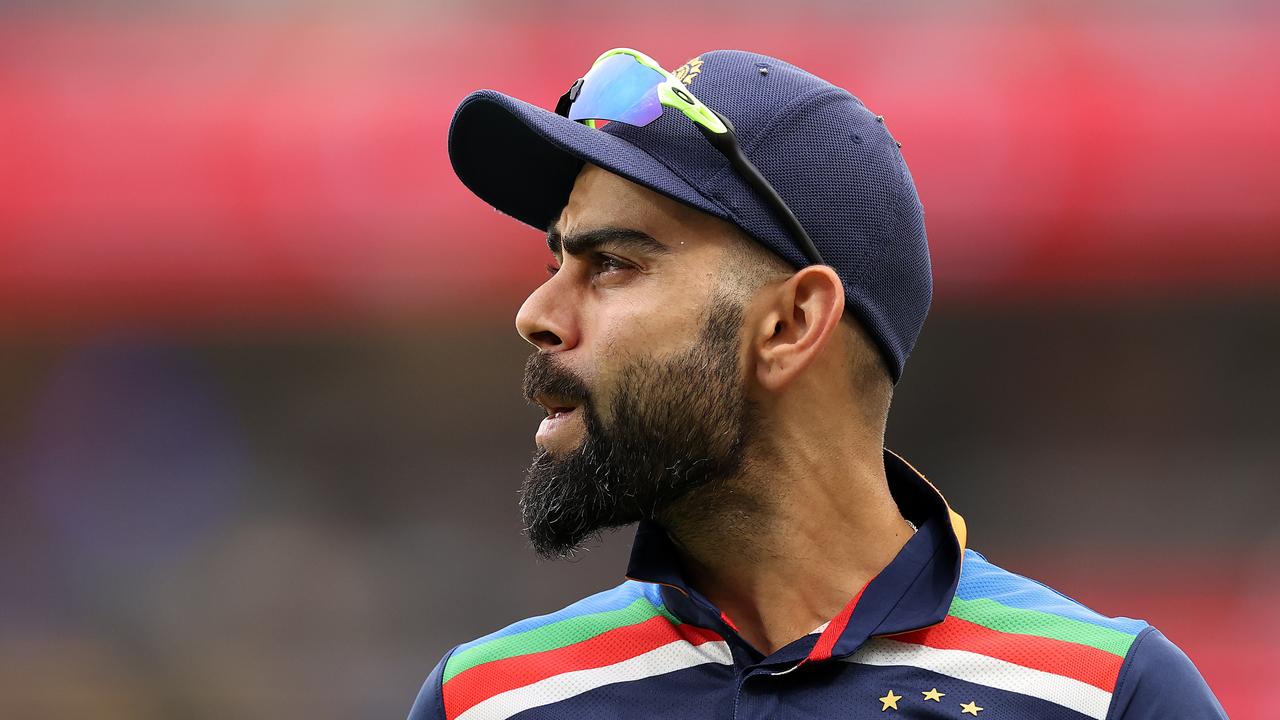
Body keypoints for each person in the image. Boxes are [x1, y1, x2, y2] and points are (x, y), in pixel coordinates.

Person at [409, 48, 1225, 720]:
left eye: (613, 263)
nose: (536, 314)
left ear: (792, 324)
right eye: (555, 262)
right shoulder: (484, 700)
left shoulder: (1105, 696)